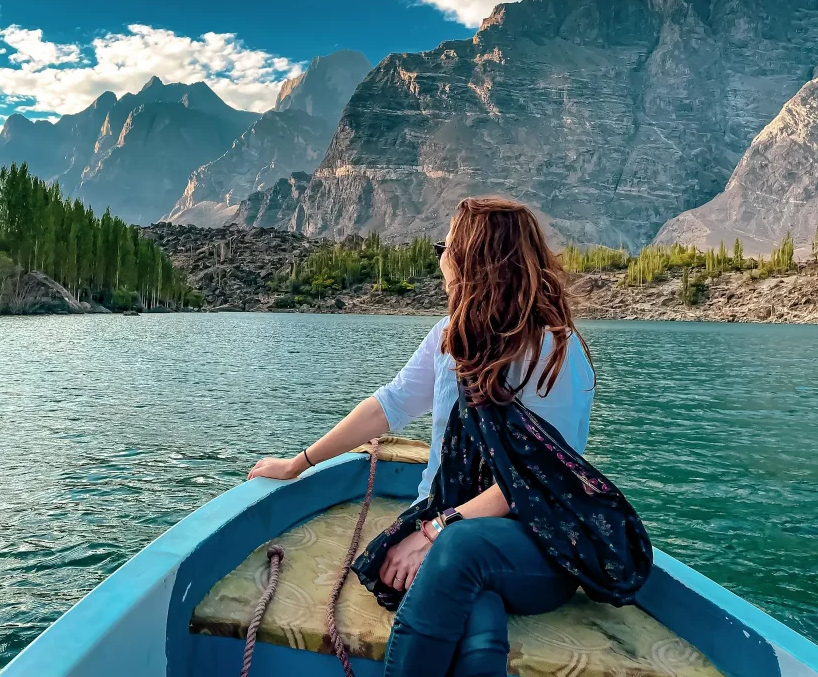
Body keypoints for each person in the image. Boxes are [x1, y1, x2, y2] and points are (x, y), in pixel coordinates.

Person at [248, 196, 596, 677]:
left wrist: (434, 532)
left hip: (542, 539)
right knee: (470, 595)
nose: (440, 259)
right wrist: (300, 462)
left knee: (458, 552)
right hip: (456, 524)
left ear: (475, 258)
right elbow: (388, 406)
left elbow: (537, 481)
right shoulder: (449, 337)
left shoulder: (551, 349)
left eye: (445, 247)